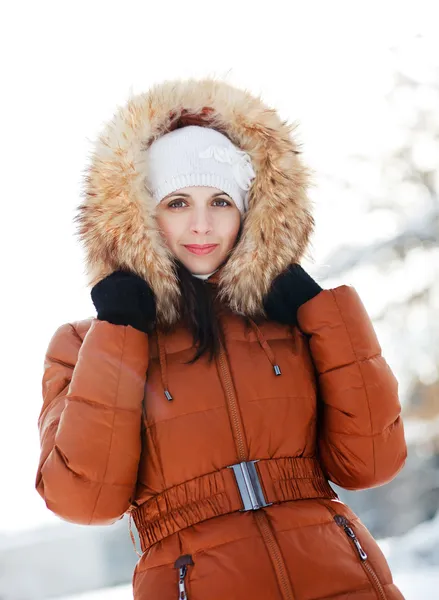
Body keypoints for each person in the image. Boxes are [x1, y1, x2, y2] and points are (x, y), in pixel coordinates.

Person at [35, 78, 407, 600]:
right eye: (179, 202)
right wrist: (120, 332)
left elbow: (372, 462)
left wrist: (322, 310)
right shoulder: (84, 344)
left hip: (343, 579)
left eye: (222, 202)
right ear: (140, 214)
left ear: (252, 210)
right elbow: (84, 499)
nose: (202, 225)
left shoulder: (296, 320)